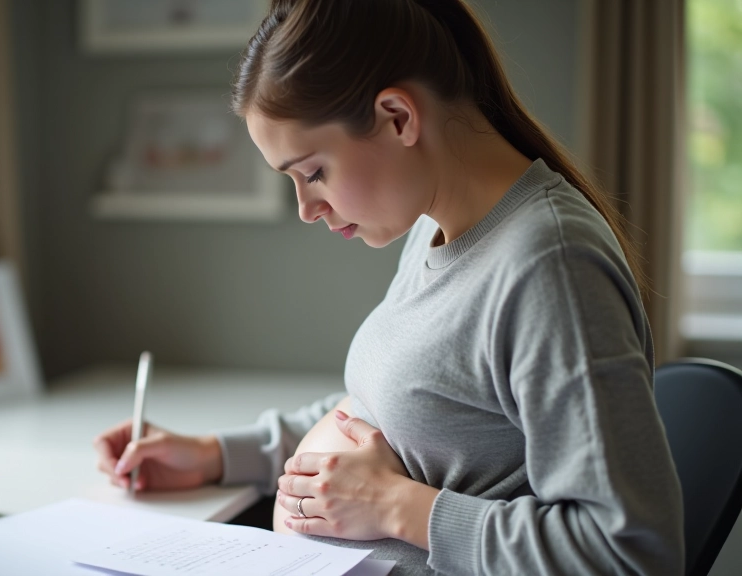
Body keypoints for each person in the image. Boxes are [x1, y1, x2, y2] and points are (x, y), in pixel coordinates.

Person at [93, 0, 685, 573]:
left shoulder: (550, 266)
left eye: (313, 172)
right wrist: (214, 455)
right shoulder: (435, 227)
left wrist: (395, 507)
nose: (305, 208)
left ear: (398, 117)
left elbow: (628, 553)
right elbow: (395, 415)